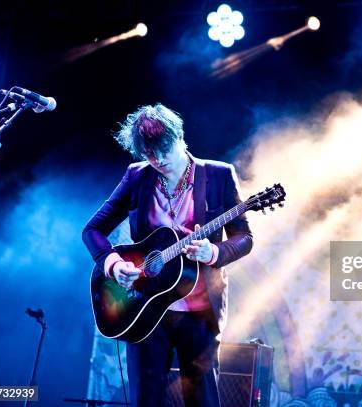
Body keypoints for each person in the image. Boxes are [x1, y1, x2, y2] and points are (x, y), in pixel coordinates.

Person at [82, 103, 253, 406]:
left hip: (199, 312)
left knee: (202, 401)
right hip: (144, 308)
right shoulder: (137, 176)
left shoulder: (219, 175)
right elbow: (92, 231)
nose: (158, 159)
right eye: (149, 153)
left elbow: (244, 238)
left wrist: (213, 252)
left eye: (164, 149)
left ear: (180, 137)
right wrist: (113, 264)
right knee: (146, 400)